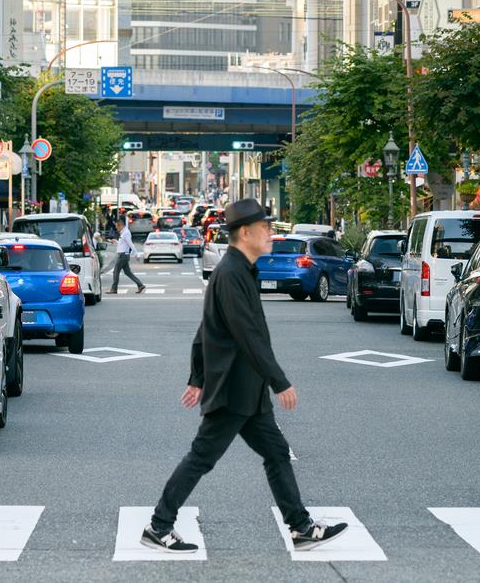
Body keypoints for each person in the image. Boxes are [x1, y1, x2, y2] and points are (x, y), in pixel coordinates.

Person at [141, 198, 347, 554]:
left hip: (248, 391)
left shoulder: (242, 269)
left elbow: (207, 329)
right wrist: (279, 380)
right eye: (265, 228)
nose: (270, 233)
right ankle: (159, 526)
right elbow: (245, 332)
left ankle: (300, 528)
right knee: (202, 457)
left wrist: (196, 376)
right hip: (235, 389)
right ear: (246, 233)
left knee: (277, 452)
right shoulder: (232, 272)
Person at [108, 217, 146, 294]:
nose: (116, 228)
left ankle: (114, 289)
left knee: (115, 271)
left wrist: (136, 254)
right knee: (128, 272)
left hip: (123, 256)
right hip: (123, 255)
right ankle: (140, 285)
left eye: (116, 226)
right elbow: (123, 244)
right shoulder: (124, 233)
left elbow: (130, 244)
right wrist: (116, 242)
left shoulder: (126, 233)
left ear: (120, 225)